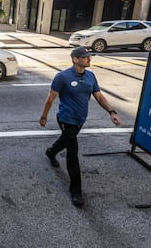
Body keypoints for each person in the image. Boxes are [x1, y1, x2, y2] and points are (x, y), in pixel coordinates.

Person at [39, 46, 122, 207]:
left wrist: (111, 112)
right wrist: (44, 116)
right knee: (72, 153)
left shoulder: (91, 76)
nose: (89, 59)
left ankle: (51, 152)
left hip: (80, 120)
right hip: (66, 119)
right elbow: (50, 98)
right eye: (85, 57)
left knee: (65, 140)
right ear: (75, 59)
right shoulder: (62, 77)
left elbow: (98, 96)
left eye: (89, 57)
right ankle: (76, 191)